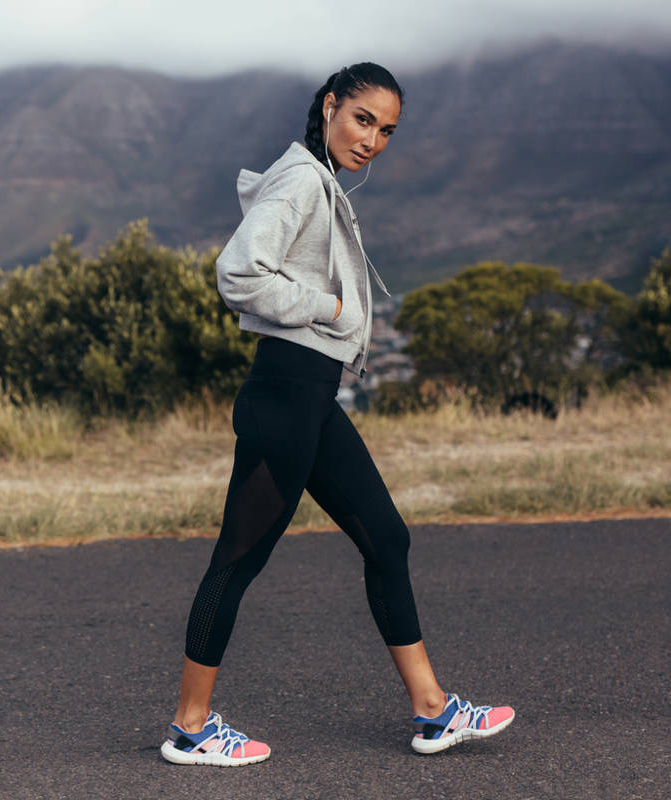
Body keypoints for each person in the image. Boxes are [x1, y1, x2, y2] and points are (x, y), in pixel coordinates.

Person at [160, 62, 514, 767]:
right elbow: (238, 272)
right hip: (284, 399)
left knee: (387, 537)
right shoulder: (298, 179)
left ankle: (434, 710)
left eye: (386, 130)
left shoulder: (318, 178)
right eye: (362, 120)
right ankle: (190, 726)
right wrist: (327, 308)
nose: (373, 139)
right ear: (329, 106)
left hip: (311, 402)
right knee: (235, 561)